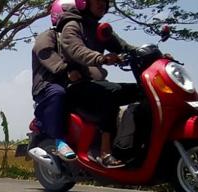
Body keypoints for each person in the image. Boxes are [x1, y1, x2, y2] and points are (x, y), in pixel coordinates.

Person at [56, 0, 140, 168]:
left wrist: (154, 55)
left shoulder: (101, 29)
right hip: (75, 87)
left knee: (141, 91)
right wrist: (101, 58)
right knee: (110, 92)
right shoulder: (72, 26)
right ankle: (105, 153)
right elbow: (77, 50)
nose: (102, 3)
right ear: (84, 2)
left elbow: (125, 47)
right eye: (98, 0)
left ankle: (132, 145)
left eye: (105, 1)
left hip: (94, 85)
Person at [31, 28, 79, 161]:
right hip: (46, 85)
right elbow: (44, 51)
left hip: (72, 82)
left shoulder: (79, 35)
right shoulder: (48, 35)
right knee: (58, 93)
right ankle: (60, 141)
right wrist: (66, 69)